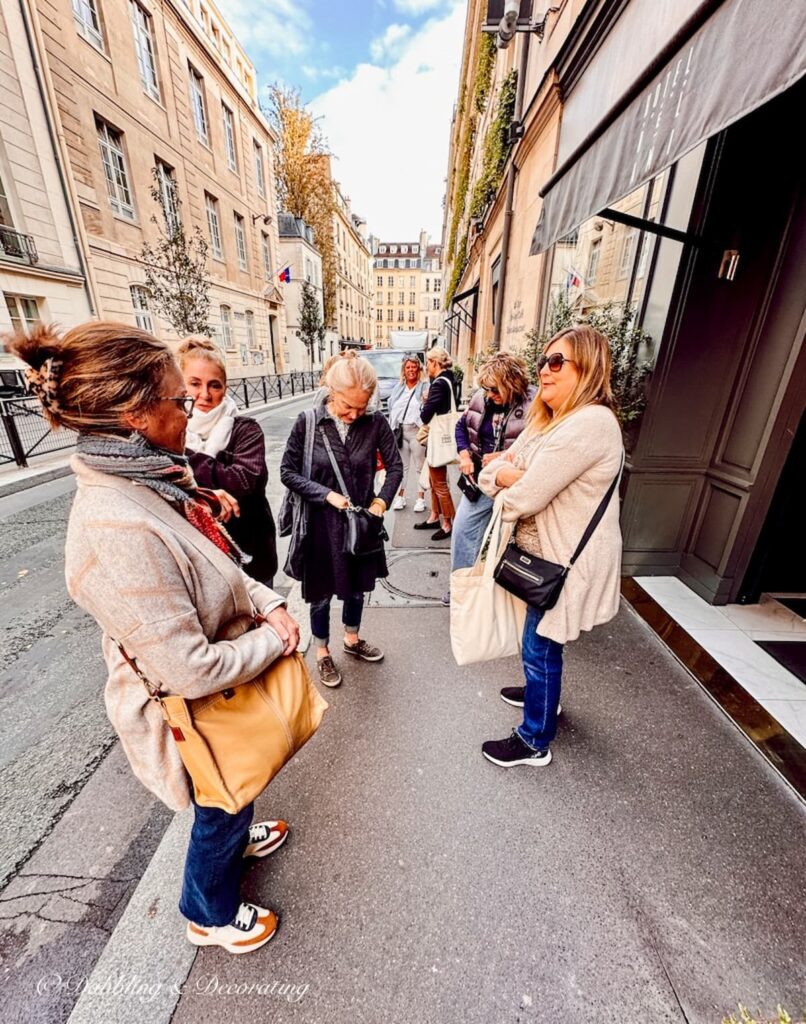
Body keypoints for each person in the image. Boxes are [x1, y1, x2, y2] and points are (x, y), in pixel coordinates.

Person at [9, 321, 301, 955]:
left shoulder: (151, 477)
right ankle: (208, 914)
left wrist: (269, 602)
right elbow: (190, 669)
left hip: (220, 691)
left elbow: (219, 561)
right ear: (137, 415)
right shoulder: (119, 521)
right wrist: (275, 641)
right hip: (193, 705)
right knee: (216, 803)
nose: (192, 408)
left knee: (232, 787)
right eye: (180, 398)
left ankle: (236, 830)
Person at [478, 325, 624, 768]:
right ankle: (544, 697)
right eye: (543, 360)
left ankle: (534, 738)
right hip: (541, 555)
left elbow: (521, 496)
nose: (544, 370)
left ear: (589, 369)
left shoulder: (590, 423)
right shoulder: (549, 420)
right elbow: (491, 471)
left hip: (564, 561)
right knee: (540, 642)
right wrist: (507, 474)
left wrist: (508, 476)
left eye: (557, 361)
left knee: (540, 643)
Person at [280, 356, 403, 688]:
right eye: (349, 407)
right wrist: (325, 494)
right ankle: (321, 652)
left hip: (360, 525)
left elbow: (395, 467)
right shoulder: (308, 423)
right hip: (320, 525)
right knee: (319, 593)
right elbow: (287, 472)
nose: (354, 415)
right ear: (331, 391)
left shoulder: (375, 423)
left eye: (362, 408)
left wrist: (380, 502)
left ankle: (352, 639)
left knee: (357, 589)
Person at [179, 337, 278, 587]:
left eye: (214, 385)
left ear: (225, 388)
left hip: (251, 555)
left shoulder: (245, 429)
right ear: (181, 386)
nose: (204, 394)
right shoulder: (172, 430)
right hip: (200, 560)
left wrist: (186, 457)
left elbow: (243, 481)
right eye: (194, 384)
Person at [452, 352, 536, 573]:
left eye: (495, 390)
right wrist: (464, 455)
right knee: (463, 530)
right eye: (486, 389)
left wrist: (501, 457)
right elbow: (462, 426)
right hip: (479, 481)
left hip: (513, 485)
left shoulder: (535, 404)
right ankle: (462, 584)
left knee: (504, 541)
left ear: (512, 384)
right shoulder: (481, 397)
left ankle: (495, 592)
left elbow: (541, 446)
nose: (490, 395)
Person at [414, 346, 456, 541]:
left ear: (435, 363)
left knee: (439, 483)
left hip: (439, 440)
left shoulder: (439, 384)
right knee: (433, 480)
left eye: (428, 362)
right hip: (438, 439)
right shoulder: (449, 379)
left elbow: (425, 416)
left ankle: (448, 523)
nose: (426, 366)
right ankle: (434, 517)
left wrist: (426, 401)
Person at [389, 354, 427, 513]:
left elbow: (427, 410)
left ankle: (420, 499)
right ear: (403, 370)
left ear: (418, 369)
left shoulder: (425, 387)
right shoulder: (398, 387)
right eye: (408, 367)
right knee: (402, 467)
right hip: (400, 432)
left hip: (417, 432)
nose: (411, 370)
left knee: (420, 467)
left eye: (414, 367)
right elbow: (392, 407)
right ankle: (401, 497)